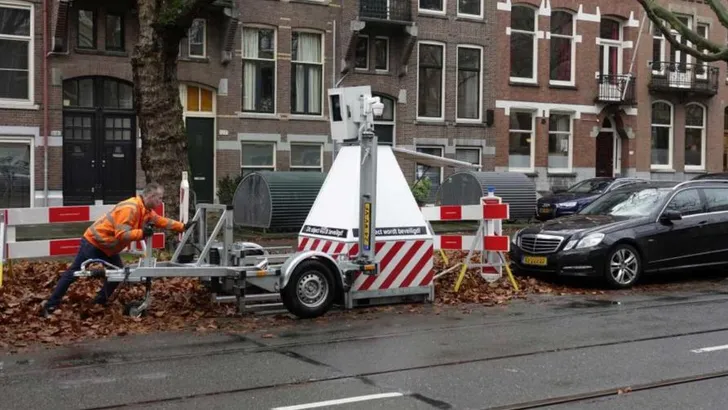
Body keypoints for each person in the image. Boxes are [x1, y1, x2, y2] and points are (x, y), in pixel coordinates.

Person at [40, 182, 196, 317]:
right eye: (159, 198)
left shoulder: (145, 210)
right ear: (150, 196)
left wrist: (182, 226)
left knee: (118, 275)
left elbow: (161, 221)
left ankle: (98, 303)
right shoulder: (131, 208)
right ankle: (50, 305)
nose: (161, 202)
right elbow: (122, 235)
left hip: (108, 247)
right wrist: (142, 233)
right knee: (73, 273)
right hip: (94, 243)